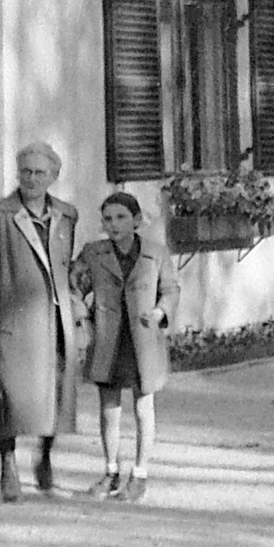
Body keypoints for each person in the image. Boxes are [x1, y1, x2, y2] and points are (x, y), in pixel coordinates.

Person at [0, 142, 80, 502]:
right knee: (9, 397)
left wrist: (80, 314)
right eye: (26, 172)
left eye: (40, 173)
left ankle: (45, 456)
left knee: (56, 392)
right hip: (12, 320)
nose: (32, 179)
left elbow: (66, 269)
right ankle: (8, 464)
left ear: (53, 177)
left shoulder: (67, 215)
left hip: (56, 319)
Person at [72, 192, 179, 503]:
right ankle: (110, 471)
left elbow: (170, 289)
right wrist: (83, 318)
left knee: (144, 407)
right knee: (109, 409)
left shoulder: (155, 253)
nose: (114, 224)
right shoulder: (93, 253)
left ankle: (140, 474)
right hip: (109, 338)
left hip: (143, 339)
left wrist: (160, 312)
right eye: (108, 218)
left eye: (121, 217)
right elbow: (73, 286)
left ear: (136, 220)